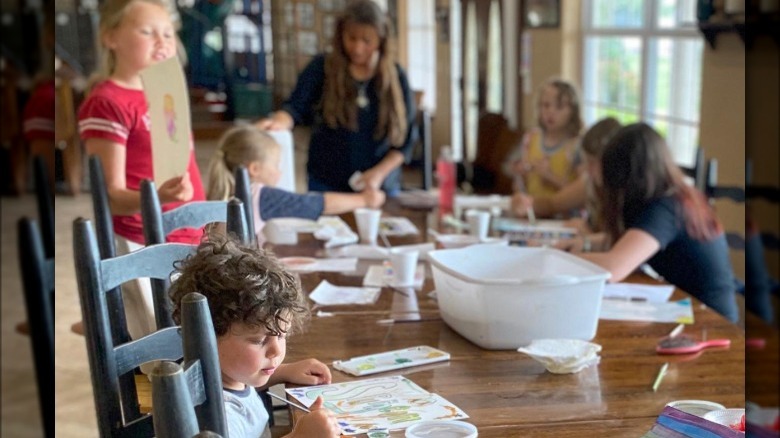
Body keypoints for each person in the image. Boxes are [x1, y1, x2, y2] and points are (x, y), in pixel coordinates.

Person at [77, 0, 205, 340]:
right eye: (147, 32)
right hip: (142, 241)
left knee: (199, 335)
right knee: (166, 348)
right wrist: (158, 196)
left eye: (168, 33)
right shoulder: (107, 101)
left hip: (188, 234)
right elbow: (113, 198)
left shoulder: (166, 92)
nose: (162, 41)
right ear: (110, 37)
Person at [168, 237, 342, 438]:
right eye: (259, 340)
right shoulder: (217, 418)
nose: (276, 350)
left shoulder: (225, 375)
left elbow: (240, 382)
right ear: (208, 336)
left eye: (281, 336)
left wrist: (282, 372)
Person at [577, 123, 739, 323]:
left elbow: (614, 268)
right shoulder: (674, 196)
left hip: (712, 323)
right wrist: (585, 244)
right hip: (692, 311)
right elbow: (633, 241)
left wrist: (559, 258)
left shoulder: (666, 208)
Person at [255, 0, 416, 196]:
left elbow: (406, 140)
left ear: (381, 40)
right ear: (341, 36)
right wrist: (279, 121)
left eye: (367, 41)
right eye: (351, 38)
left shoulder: (395, 77)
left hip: (378, 184)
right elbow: (295, 107)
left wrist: (378, 174)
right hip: (326, 181)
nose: (357, 48)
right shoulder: (321, 67)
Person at [207, 125, 386, 238]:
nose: (279, 171)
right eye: (276, 165)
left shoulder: (220, 191)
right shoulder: (259, 195)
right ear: (255, 169)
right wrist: (365, 200)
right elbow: (315, 204)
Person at [511, 117, 622, 251]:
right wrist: (528, 203)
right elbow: (553, 203)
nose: (587, 169)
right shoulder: (589, 183)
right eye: (587, 161)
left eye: (593, 163)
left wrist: (589, 236)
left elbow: (623, 243)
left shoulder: (626, 192)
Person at [504, 78, 584, 198]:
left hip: (565, 215)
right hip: (532, 211)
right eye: (546, 105)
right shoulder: (530, 139)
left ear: (573, 111)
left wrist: (550, 177)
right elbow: (510, 169)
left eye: (559, 107)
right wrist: (519, 172)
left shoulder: (577, 146)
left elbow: (583, 194)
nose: (550, 112)